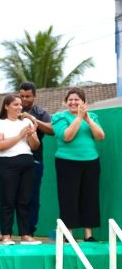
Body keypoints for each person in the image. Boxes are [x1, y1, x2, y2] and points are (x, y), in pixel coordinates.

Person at [51, 87, 105, 241]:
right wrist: (79, 118)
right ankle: (68, 235)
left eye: (77, 100)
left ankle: (89, 235)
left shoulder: (92, 116)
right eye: (70, 100)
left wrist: (88, 119)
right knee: (69, 197)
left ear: (84, 102)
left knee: (90, 196)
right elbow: (67, 136)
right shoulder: (59, 117)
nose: (73, 102)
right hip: (67, 162)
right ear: (65, 102)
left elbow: (100, 136)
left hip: (91, 162)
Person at [0, 95, 41, 245]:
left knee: (25, 200)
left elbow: (35, 145)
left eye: (20, 105)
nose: (19, 107)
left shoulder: (27, 121)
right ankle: (6, 235)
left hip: (27, 162)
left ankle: (26, 235)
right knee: (8, 200)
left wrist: (31, 135)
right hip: (6, 163)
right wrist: (20, 135)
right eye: (15, 104)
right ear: (6, 106)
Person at [17, 82, 54, 237]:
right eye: (22, 96)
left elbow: (52, 130)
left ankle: (29, 231)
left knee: (32, 197)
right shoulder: (13, 108)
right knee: (11, 196)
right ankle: (6, 231)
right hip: (13, 158)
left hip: (34, 160)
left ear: (34, 96)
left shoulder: (40, 112)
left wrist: (33, 120)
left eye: (28, 96)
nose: (24, 99)